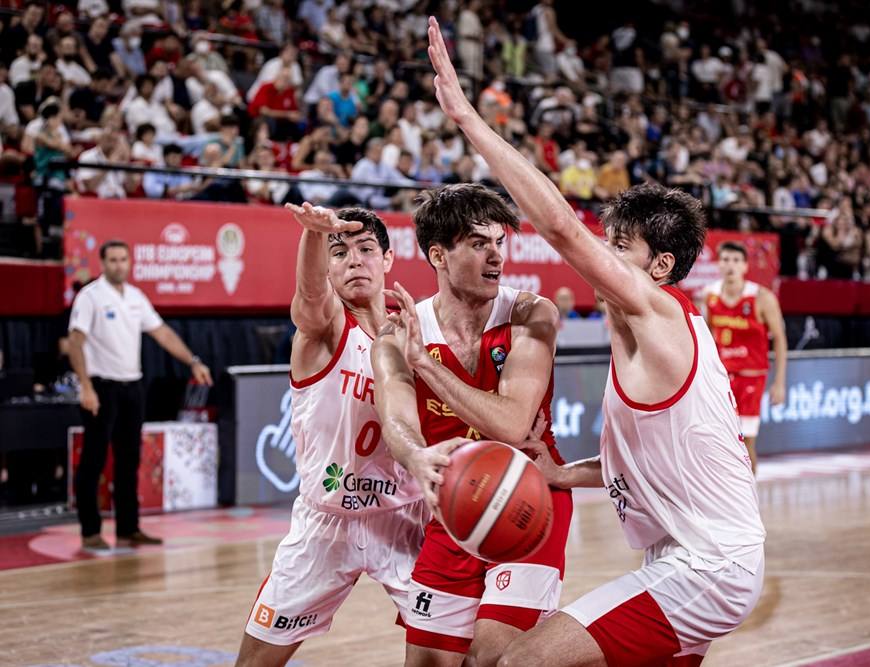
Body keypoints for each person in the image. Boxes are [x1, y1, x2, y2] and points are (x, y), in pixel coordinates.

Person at [425, 18, 764, 666]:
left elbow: (557, 225)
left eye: (618, 247)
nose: (601, 258)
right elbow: (637, 462)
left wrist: (468, 120)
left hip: (703, 567)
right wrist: (560, 472)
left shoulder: (658, 312)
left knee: (518, 662)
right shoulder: (658, 337)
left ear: (659, 267)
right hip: (699, 558)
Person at [371, 182, 572, 667]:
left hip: (529, 503)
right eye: (479, 244)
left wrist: (428, 366)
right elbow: (396, 420)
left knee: (492, 658)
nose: (496, 257)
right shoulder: (397, 334)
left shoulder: (530, 313)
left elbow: (512, 422)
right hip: (454, 512)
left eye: (499, 242)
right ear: (438, 255)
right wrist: (415, 455)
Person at [236, 205, 427, 666]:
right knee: (256, 662)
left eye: (365, 249)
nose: (354, 261)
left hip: (406, 518)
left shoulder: (416, 331)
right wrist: (313, 237)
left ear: (388, 258)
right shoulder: (323, 328)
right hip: (326, 523)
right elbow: (309, 295)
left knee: (450, 654)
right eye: (339, 253)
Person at [67, 240, 212, 552]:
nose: (119, 265)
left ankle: (128, 528)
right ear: (103, 263)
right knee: (93, 460)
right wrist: (86, 387)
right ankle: (90, 531)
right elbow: (75, 342)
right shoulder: (90, 296)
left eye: (124, 259)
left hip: (132, 387)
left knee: (128, 459)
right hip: (101, 386)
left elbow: (162, 333)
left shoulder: (135, 297)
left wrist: (193, 361)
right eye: (113, 260)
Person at [698, 241, 787, 473]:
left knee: (745, 445)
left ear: (745, 266)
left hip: (751, 377)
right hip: (720, 379)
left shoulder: (761, 297)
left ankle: (748, 501)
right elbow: (703, 340)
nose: (730, 266)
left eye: (736, 261)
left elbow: (779, 338)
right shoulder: (708, 296)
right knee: (716, 442)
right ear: (719, 264)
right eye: (726, 260)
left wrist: (779, 383)